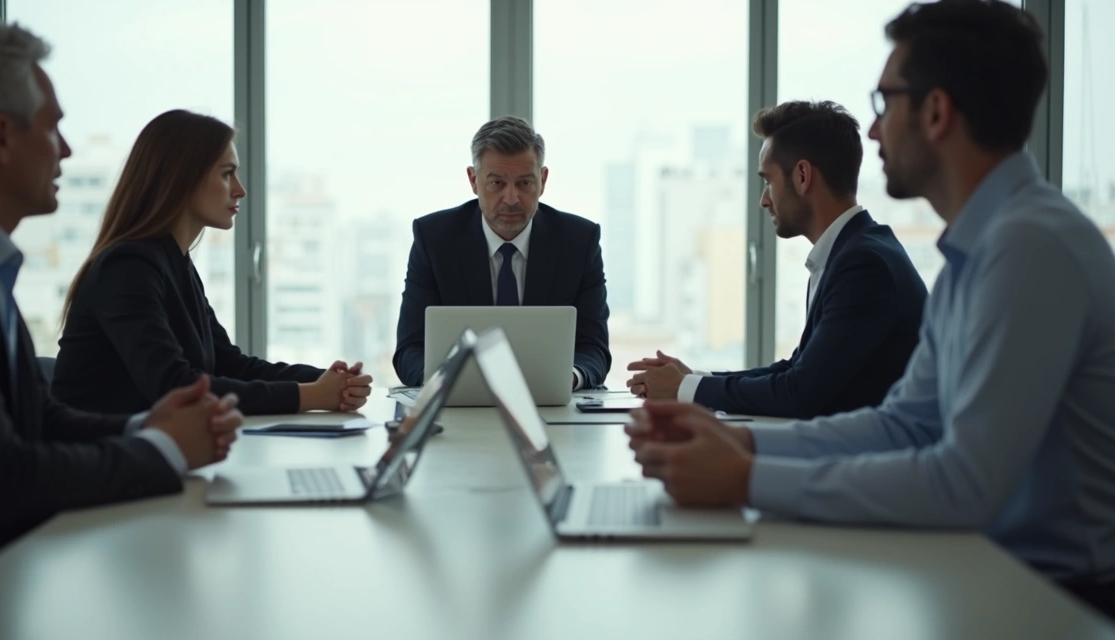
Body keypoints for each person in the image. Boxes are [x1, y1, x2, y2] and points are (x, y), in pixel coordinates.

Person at [625, 0, 1115, 619]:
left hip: (1050, 598)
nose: (875, 131)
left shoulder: (1030, 248)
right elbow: (903, 425)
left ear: (936, 112)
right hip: (988, 572)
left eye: (885, 102)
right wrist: (739, 441)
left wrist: (744, 477)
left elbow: (964, 485)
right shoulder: (979, 249)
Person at [0, 23, 243, 609]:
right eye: (52, 127)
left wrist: (147, 426)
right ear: (1, 138)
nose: (66, 150)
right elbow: (1, 477)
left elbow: (39, 418)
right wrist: (165, 448)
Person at [52, 109, 372, 416]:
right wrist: (312, 395)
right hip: (99, 449)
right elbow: (175, 386)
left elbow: (229, 365)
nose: (240, 190)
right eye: (227, 174)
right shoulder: (127, 267)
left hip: (148, 445)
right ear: (182, 179)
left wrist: (326, 380)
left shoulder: (175, 263)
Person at [625, 101, 926, 419]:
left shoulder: (863, 266)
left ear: (802, 176)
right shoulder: (849, 252)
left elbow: (797, 393)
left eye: (768, 181)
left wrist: (685, 388)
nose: (764, 200)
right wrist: (692, 380)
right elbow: (796, 369)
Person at [392, 116, 611, 389]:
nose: (511, 199)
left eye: (524, 183)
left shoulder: (579, 241)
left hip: (550, 402)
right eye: (497, 183)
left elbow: (594, 347)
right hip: (457, 403)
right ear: (474, 180)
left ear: (543, 180)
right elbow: (410, 349)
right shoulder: (435, 239)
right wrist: (445, 384)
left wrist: (570, 378)